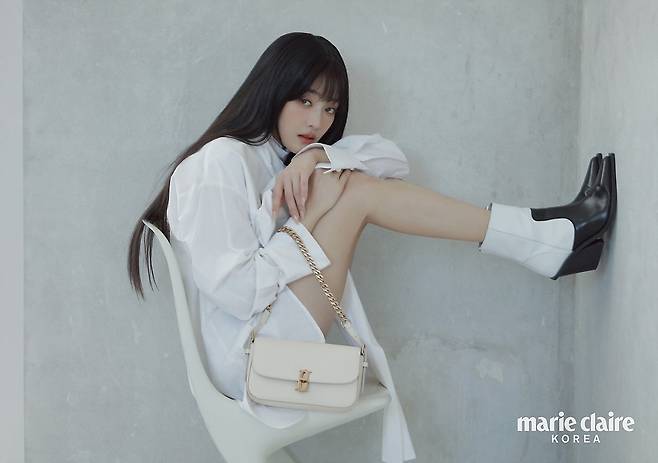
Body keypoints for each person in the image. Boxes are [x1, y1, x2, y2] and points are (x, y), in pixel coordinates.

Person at [127, 32, 616, 463]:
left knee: (354, 183)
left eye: (330, 109)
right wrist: (309, 222)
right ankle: (542, 237)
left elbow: (391, 160)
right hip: (248, 361)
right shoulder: (220, 163)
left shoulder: (285, 159)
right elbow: (238, 293)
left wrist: (315, 156)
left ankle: (545, 238)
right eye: (305, 100)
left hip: (272, 336)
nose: (317, 119)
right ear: (271, 90)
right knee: (355, 191)